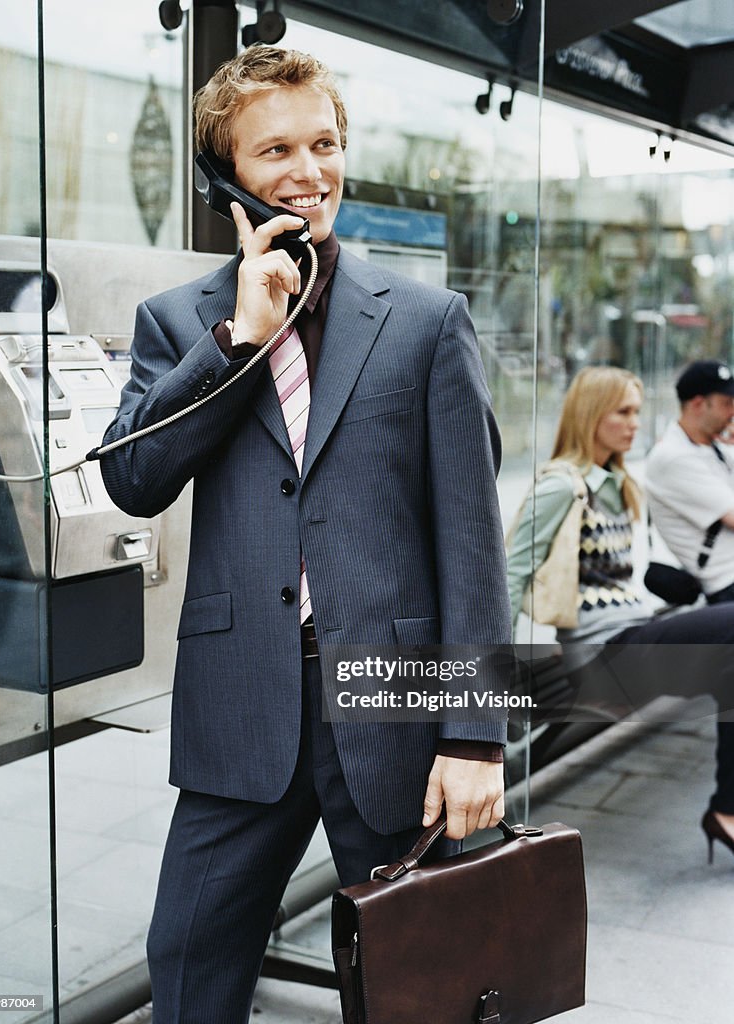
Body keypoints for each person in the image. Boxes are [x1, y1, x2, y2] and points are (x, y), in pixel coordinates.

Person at [100, 46, 511, 1024]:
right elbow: (131, 479)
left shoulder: (423, 322)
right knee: (188, 961)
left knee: (421, 981)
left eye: (322, 143)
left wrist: (475, 735)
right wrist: (238, 336)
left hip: (395, 701)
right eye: (275, 148)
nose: (307, 170)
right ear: (222, 175)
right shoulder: (178, 323)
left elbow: (472, 542)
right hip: (240, 703)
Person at [506, 365, 734, 868]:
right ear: (592, 415)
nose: (635, 423)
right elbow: (509, 574)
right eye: (623, 412)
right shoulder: (562, 486)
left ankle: (727, 810)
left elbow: (620, 574)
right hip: (603, 655)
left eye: (636, 411)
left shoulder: (620, 484)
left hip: (634, 636)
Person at [646, 359, 734, 605]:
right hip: (725, 584)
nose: (732, 411)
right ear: (697, 404)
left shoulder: (715, 447)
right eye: (726, 404)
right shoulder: (673, 457)